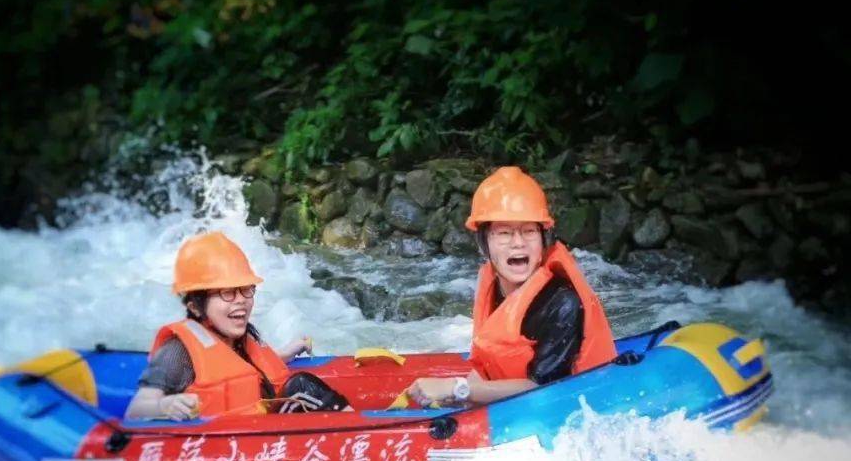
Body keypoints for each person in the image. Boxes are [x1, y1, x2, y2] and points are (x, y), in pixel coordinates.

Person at [406, 166, 616, 407]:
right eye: (504, 233)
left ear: (543, 240)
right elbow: (488, 365)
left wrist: (458, 388)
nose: (518, 243)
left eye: (528, 232)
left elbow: (544, 389)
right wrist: (451, 397)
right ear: (484, 243)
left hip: (571, 409)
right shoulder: (493, 287)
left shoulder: (563, 303)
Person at [125, 230, 350, 420]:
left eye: (246, 289)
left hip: (261, 425)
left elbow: (249, 371)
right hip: (227, 443)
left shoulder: (238, 337)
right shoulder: (177, 352)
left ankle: (356, 427)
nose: (242, 299)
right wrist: (164, 406)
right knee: (302, 386)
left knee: (299, 383)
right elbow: (136, 409)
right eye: (227, 293)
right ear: (195, 307)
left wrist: (284, 354)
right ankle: (358, 430)